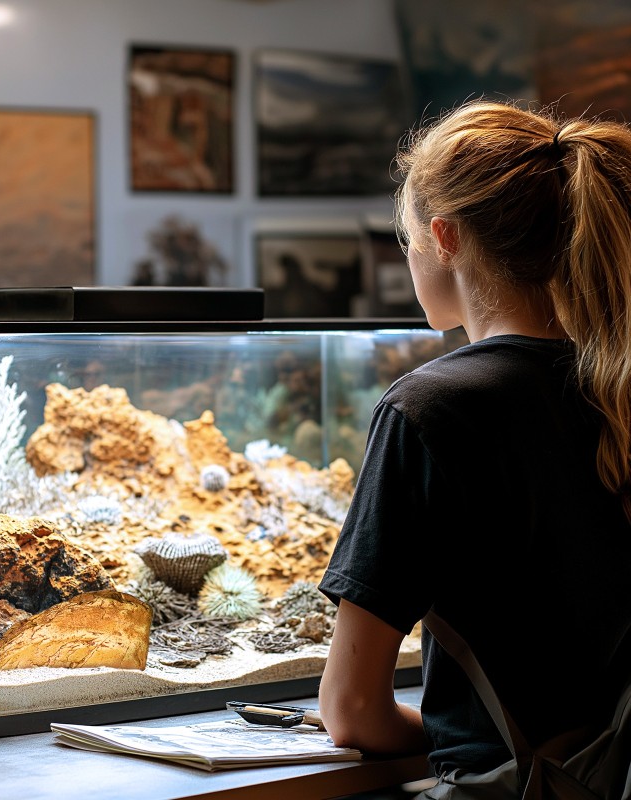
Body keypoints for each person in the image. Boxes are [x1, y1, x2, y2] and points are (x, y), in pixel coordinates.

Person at [317, 98, 631, 798]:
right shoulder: (613, 385)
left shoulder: (430, 408)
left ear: (445, 237)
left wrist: (444, 733)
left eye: (407, 241)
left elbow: (351, 711)